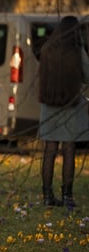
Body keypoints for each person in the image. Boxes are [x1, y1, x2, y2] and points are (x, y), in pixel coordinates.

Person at [38, 15, 89, 208]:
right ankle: (67, 196)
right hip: (70, 106)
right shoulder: (76, 52)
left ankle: (47, 196)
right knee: (69, 150)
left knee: (49, 151)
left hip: (48, 105)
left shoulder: (46, 50)